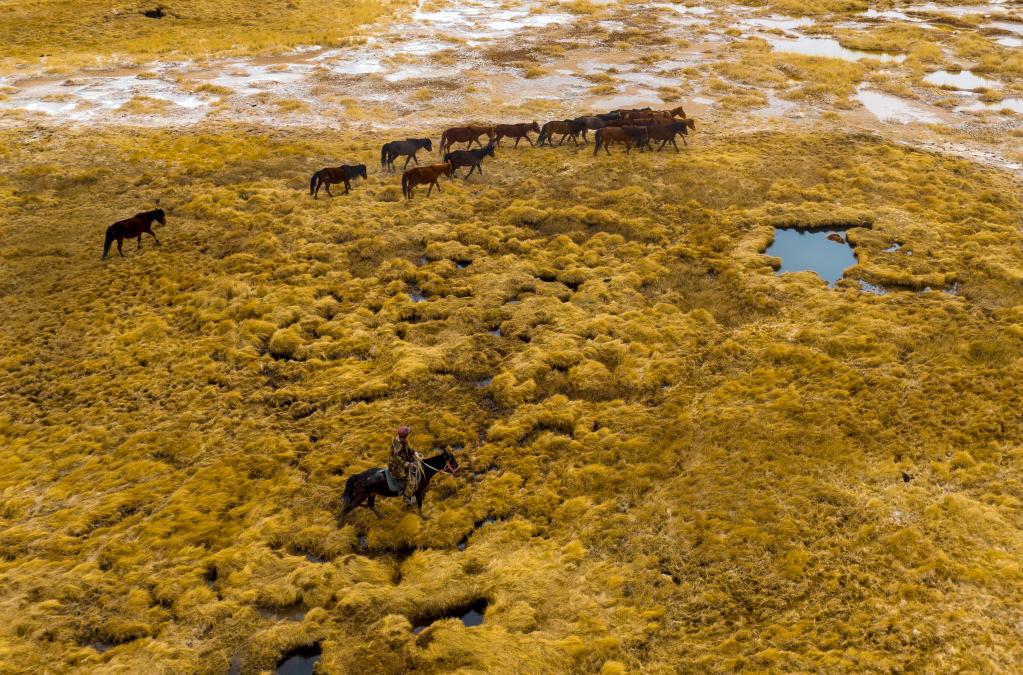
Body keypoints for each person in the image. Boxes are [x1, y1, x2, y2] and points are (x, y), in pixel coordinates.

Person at [388, 425, 421, 507]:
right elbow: (396, 457)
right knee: (410, 480)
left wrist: (415, 453)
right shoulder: (398, 444)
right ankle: (406, 497)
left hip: (402, 461)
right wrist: (407, 464)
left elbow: (408, 447)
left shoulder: (403, 439)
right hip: (396, 466)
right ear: (405, 435)